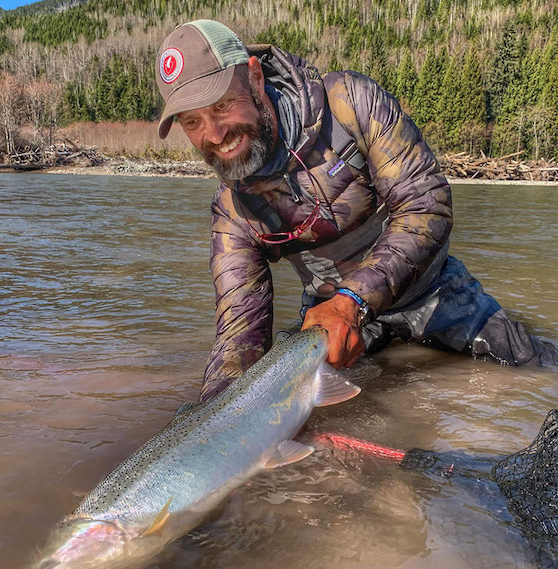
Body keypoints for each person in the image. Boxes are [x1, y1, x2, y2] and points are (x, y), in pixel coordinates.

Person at [154, 19, 557, 403]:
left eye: (223, 106)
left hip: (430, 290)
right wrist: (206, 421)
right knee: (322, 438)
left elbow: (426, 206)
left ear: (255, 77)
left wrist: (352, 301)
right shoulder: (232, 210)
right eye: (192, 121)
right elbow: (240, 334)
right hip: (331, 326)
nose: (214, 135)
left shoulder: (350, 103)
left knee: (536, 370)